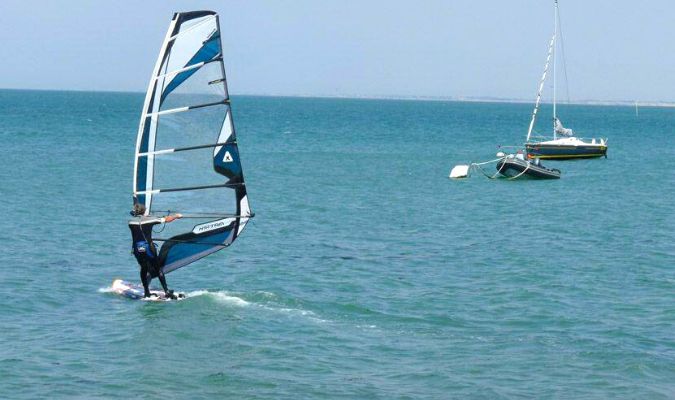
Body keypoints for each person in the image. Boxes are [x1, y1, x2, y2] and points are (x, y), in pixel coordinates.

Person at [128, 203, 182, 299]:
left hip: (137, 249)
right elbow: (166, 219)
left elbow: (133, 214)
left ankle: (146, 292)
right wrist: (176, 216)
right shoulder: (150, 220)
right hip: (148, 248)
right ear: (144, 211)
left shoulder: (131, 222)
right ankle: (167, 291)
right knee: (158, 269)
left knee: (143, 269)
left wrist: (139, 213)